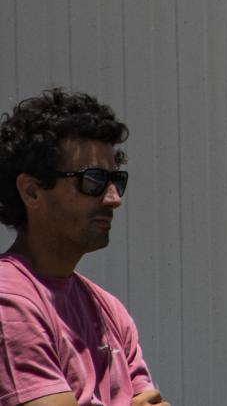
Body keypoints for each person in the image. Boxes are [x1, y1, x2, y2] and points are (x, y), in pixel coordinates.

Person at [0, 89, 166, 406]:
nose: (114, 199)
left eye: (116, 180)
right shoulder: (9, 303)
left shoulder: (108, 309)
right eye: (92, 181)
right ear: (32, 191)